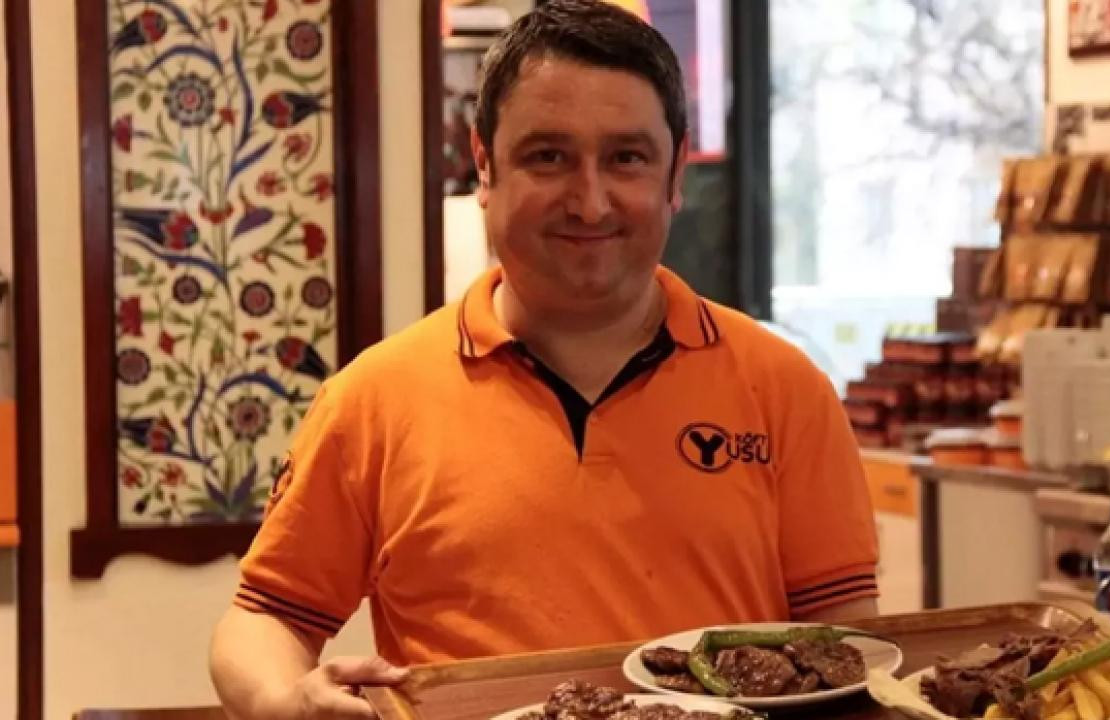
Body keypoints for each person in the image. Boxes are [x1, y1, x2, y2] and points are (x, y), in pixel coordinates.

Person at [209, 1, 879, 717]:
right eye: (548, 157)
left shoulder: (783, 388)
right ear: (484, 165)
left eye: (626, 158)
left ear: (675, 173)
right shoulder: (373, 400)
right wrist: (285, 702)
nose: (590, 203)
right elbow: (264, 618)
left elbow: (843, 642)